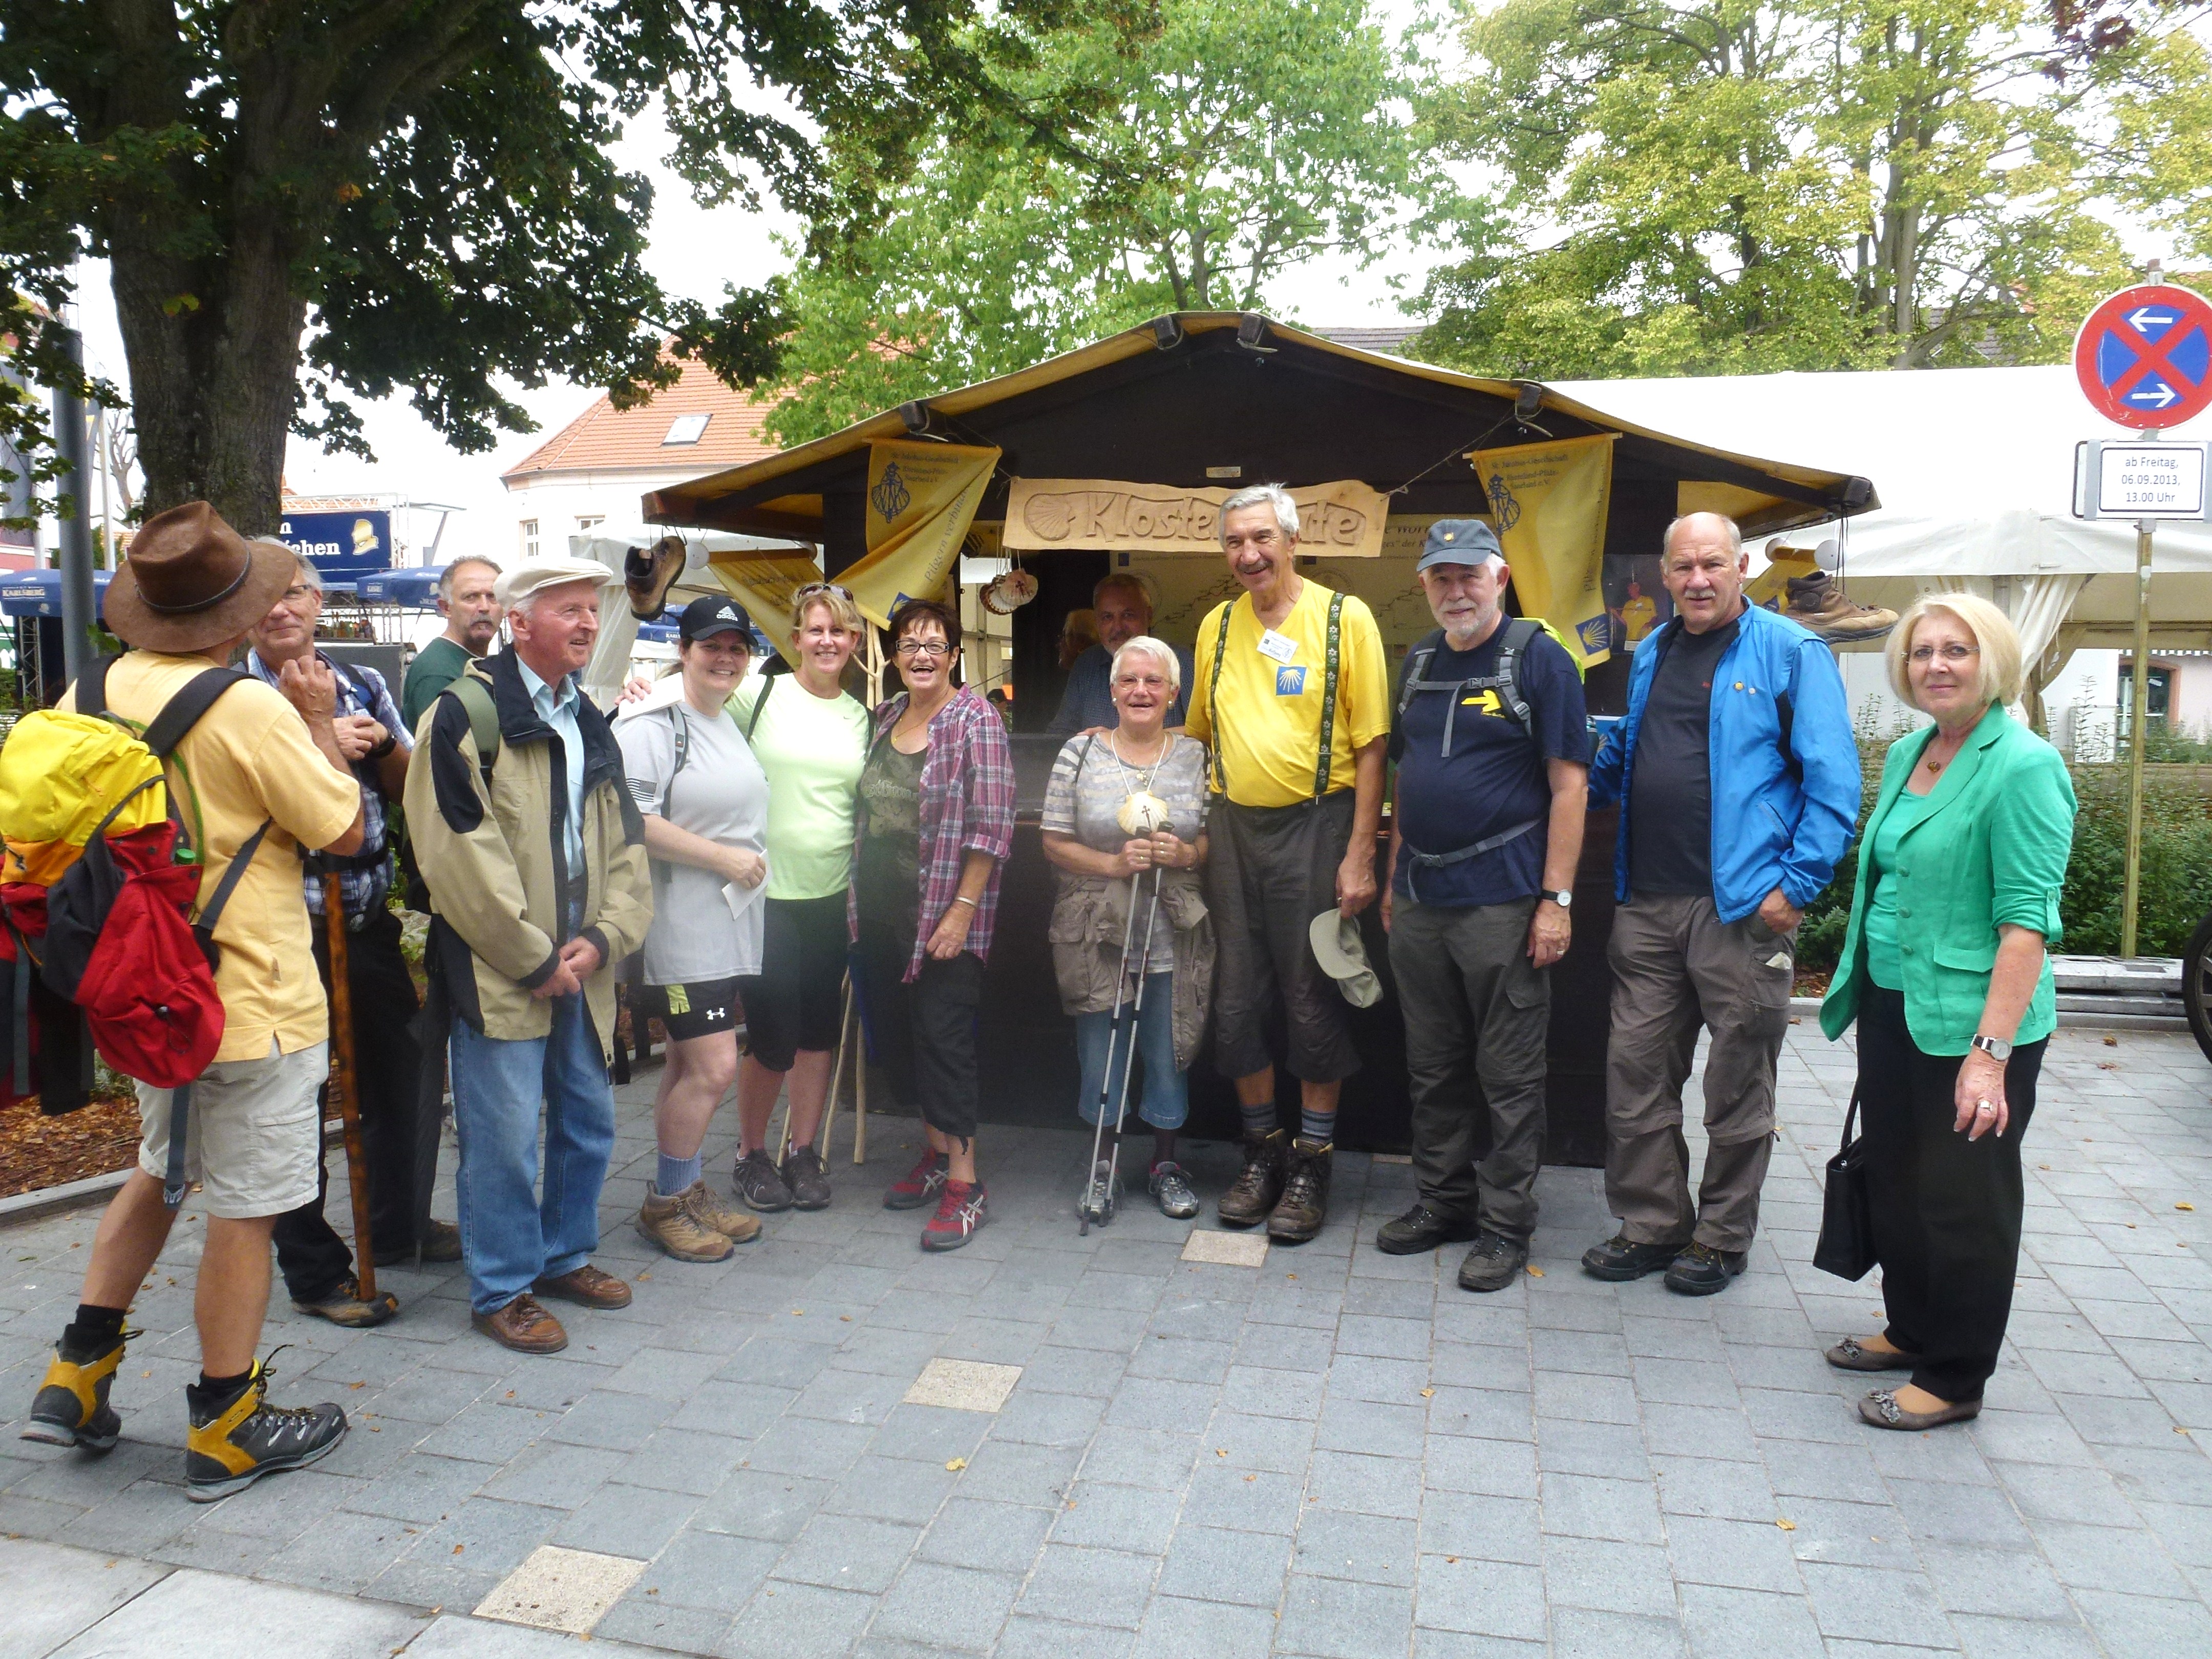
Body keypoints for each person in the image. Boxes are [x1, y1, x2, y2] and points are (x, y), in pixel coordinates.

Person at [21, 502, 367, 1501]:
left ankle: (76, 1373)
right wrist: (316, 721)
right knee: (247, 1211)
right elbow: (343, 828)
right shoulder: (249, 707)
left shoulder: (92, 688)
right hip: (251, 998)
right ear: (236, 615)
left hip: (144, 990)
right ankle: (227, 1422)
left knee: (160, 1170)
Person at [1582, 512, 1860, 1294]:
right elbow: (1629, 753)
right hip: (1647, 903)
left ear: (1741, 567)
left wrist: (1794, 887)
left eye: (1712, 564)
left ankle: (1722, 1237)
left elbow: (1834, 782)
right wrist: (1564, 775)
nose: (1698, 580)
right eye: (1683, 567)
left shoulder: (1792, 651)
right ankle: (1653, 1224)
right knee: (1635, 1072)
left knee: (1737, 1084)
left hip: (1740, 910)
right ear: (1665, 574)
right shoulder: (1654, 650)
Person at [1818, 595, 2074, 1430]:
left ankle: (1956, 1375)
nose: (1936, 665)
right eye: (1922, 650)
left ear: (1991, 661)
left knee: (1965, 1198)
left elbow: (2026, 925)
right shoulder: (1910, 753)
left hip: (1975, 1021)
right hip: (1895, 1002)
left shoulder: (2024, 765)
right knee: (1898, 1175)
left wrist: (1990, 1055)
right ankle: (1913, 1329)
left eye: (1956, 650)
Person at [406, 555, 653, 1354]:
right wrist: (533, 957)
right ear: (519, 624)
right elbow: (456, 854)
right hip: (502, 969)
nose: (588, 624)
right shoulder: (463, 715)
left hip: (583, 962)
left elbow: (626, 844)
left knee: (587, 1121)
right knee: (504, 1137)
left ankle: (564, 1256)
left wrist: (607, 938)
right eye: (569, 610)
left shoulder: (587, 716)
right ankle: (503, 1287)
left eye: (592, 610)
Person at [1377, 522, 1589, 1290]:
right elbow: (1408, 782)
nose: (1455, 591)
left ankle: (1504, 1226)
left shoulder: (1539, 658)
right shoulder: (1419, 662)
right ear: (1425, 585)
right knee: (1432, 1065)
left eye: (1469, 575)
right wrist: (1395, 878)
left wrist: (1555, 902)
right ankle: (1444, 1203)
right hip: (1422, 898)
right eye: (1441, 578)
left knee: (1509, 1074)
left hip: (1502, 900)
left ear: (1500, 578)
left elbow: (1570, 785)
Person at [243, 550, 450, 1330]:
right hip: (282, 935)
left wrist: (381, 745)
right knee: (294, 1100)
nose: (280, 608)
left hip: (363, 922)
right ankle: (317, 1271)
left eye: (294, 592)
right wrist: (314, 731)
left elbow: (407, 788)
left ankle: (395, 1226)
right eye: (263, 597)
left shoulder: (362, 682)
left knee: (400, 1077)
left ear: (318, 602)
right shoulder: (233, 697)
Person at [1183, 483, 1391, 1243]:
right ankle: (1261, 1153)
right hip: (1233, 830)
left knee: (1311, 997)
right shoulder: (1215, 625)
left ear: (1294, 541)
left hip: (1317, 825)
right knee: (1236, 998)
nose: (1248, 555)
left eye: (1262, 538)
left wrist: (1360, 854)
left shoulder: (1344, 619)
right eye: (1235, 542)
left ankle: (1312, 1163)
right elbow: (1197, 736)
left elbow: (1373, 747)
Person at [854, 597, 1014, 1250]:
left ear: (954, 655)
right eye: (910, 644)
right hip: (877, 905)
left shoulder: (977, 720)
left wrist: (962, 911)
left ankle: (966, 1185)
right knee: (898, 1038)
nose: (922, 655)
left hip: (945, 910)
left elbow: (993, 826)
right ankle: (936, 1153)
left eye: (935, 644)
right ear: (895, 656)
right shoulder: (885, 716)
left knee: (945, 1043)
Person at [614, 596, 771, 1261]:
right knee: (715, 1066)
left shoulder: (723, 717)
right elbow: (633, 819)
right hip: (678, 928)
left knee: (684, 1063)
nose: (725, 658)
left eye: (737, 648)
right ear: (683, 651)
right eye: (711, 645)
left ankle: (685, 1189)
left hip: (724, 926)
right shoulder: (652, 722)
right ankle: (665, 1208)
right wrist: (724, 859)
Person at [1041, 635, 1214, 1219]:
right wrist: (1113, 865)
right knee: (1101, 1051)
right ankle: (1103, 1165)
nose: (1141, 691)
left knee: (1169, 1049)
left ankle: (1166, 1164)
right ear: (1112, 692)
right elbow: (1053, 841)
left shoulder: (1195, 756)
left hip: (1171, 928)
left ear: (1174, 693)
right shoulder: (1080, 752)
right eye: (1129, 681)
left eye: (1153, 681)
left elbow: (1212, 837)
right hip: (1097, 929)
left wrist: (1186, 854)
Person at [726, 582, 873, 1213]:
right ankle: (750, 1155)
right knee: (771, 1033)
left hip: (832, 895)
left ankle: (803, 1152)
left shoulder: (862, 718)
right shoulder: (760, 696)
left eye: (839, 631)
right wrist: (640, 694)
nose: (827, 641)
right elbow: (692, 712)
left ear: (855, 642)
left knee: (817, 1033)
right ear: (795, 640)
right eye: (816, 630)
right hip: (766, 895)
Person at [1048, 572, 1194, 735]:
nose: (1118, 627)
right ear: (1097, 621)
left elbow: (1206, 729)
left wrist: (1121, 740)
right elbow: (1061, 732)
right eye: (1107, 617)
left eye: (1128, 615)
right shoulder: (1086, 663)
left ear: (1149, 616)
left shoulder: (1181, 661)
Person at [402, 556, 502, 733]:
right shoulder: (437, 673)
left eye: (493, 597)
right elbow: (439, 746)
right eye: (471, 597)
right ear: (446, 608)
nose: (484, 607)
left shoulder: (473, 661)